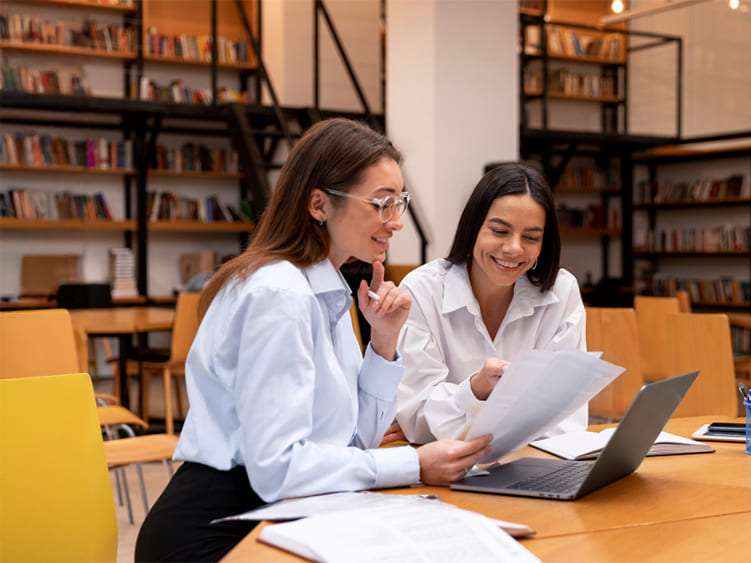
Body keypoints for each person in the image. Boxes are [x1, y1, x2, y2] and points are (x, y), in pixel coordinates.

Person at [135, 118, 492, 562]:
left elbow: (356, 442)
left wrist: (383, 343)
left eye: (399, 202)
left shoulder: (326, 290)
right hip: (217, 534)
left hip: (283, 514)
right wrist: (415, 464)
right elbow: (278, 470)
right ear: (319, 204)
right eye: (380, 204)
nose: (396, 222)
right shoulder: (280, 294)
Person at [391, 162, 588, 446]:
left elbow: (566, 418)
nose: (514, 248)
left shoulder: (561, 291)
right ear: (473, 228)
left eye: (531, 237)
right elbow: (418, 418)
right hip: (449, 471)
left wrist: (450, 414)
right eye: (499, 231)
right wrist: (476, 388)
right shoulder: (422, 291)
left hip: (534, 465)